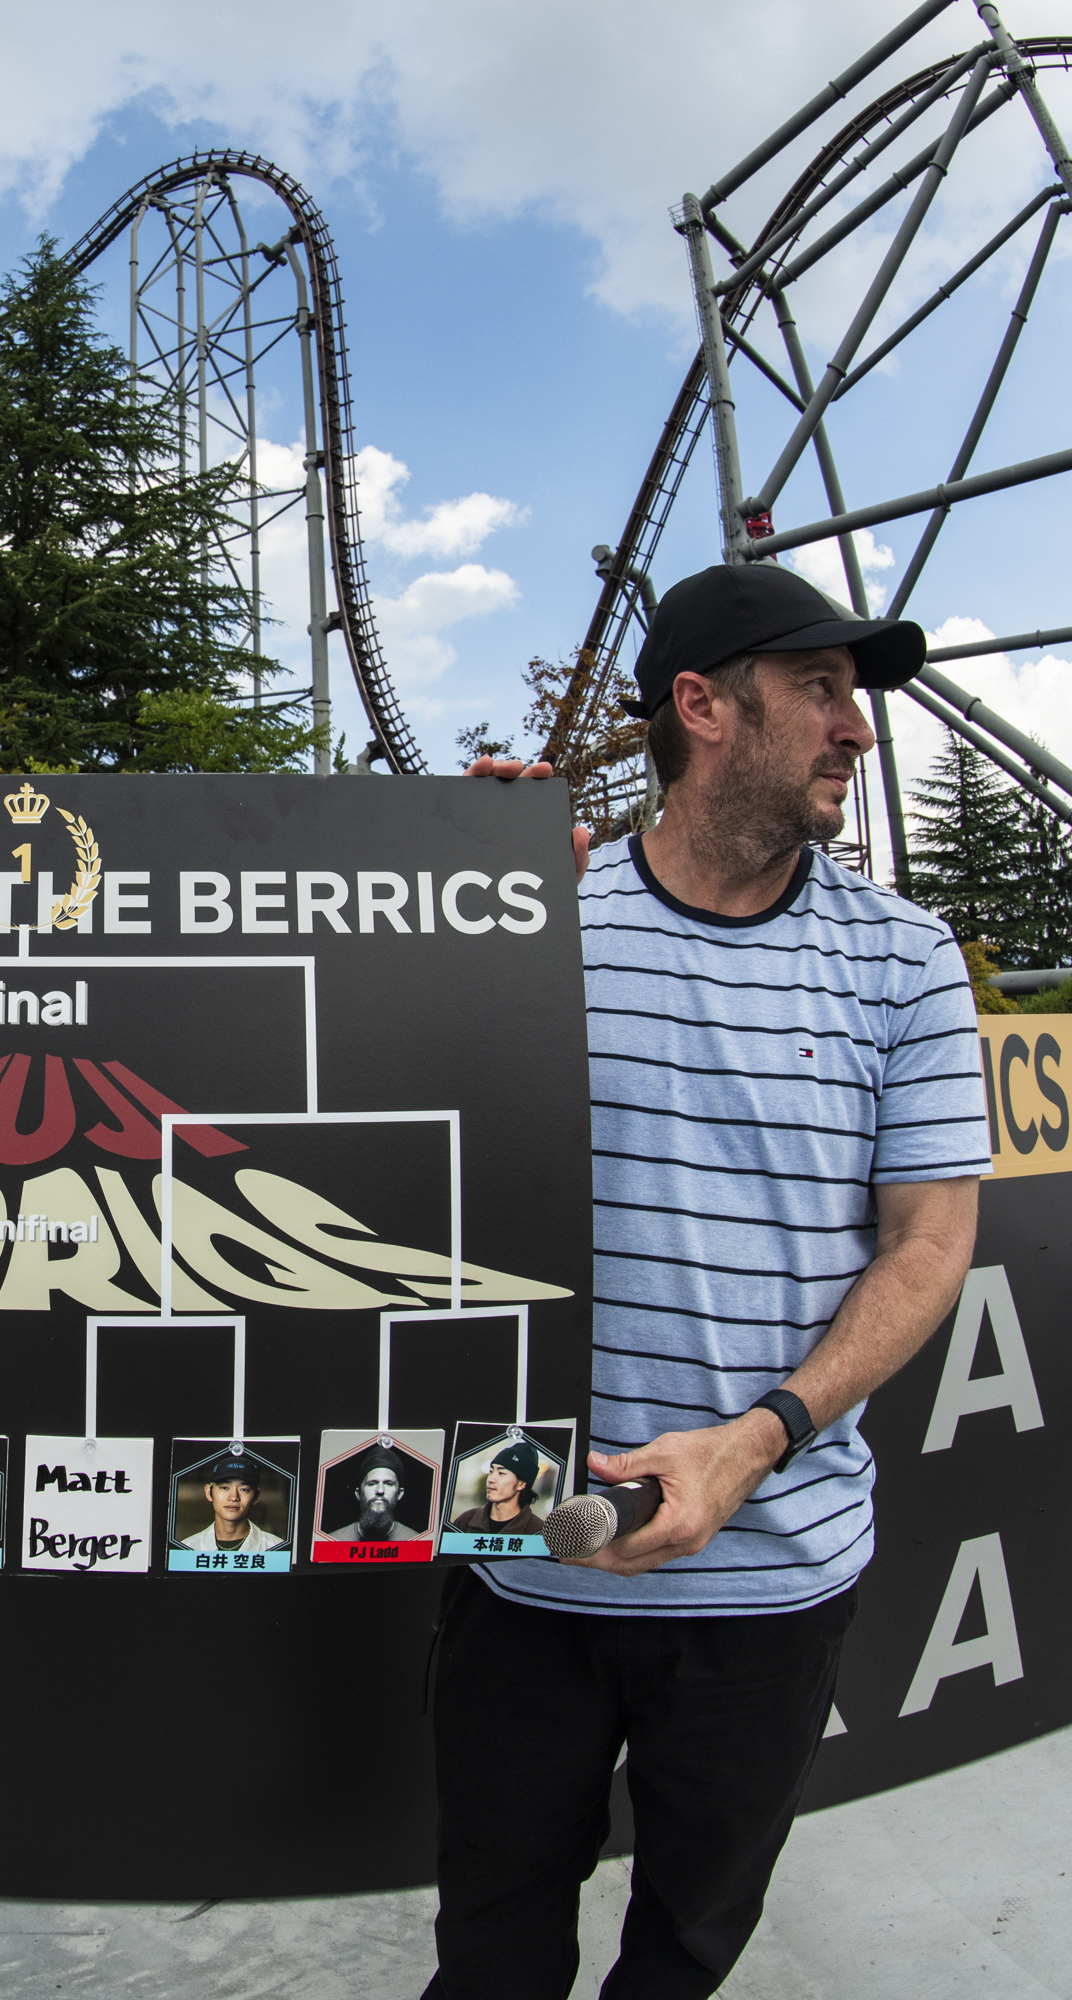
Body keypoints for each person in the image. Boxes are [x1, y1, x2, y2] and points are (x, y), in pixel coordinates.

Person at [429, 562, 985, 1999]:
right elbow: (359, 1102)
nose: (858, 726)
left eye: (854, 694)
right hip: (525, 1565)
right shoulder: (529, 919)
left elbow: (928, 1241)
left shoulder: (906, 959)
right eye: (820, 687)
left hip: (774, 1577)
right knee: (490, 1953)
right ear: (702, 705)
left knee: (683, 1952)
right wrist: (447, 886)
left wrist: (755, 1441)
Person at [180, 1451, 286, 1552]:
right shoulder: (186, 1548)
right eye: (224, 1488)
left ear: (256, 1496)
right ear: (208, 1492)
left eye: (244, 1489)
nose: (234, 1497)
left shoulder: (277, 1549)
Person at [449, 1439, 545, 1539]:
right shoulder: (465, 1521)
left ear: (521, 1484)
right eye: (491, 1472)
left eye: (501, 1473)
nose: (491, 1479)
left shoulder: (539, 1532)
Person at [326, 1446, 418, 1542]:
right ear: (358, 1493)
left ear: (399, 1493)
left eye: (388, 1484)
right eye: (372, 1484)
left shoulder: (416, 1542)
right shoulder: (332, 1542)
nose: (380, 1490)